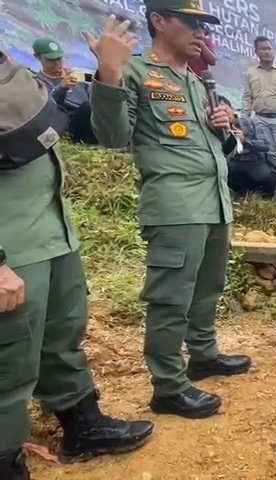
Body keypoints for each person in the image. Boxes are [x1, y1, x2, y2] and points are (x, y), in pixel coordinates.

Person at [88, 1, 252, 419]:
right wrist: (109, 74)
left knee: (208, 286)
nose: (201, 33)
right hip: (175, 205)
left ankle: (203, 355)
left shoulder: (196, 81)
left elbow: (214, 148)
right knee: (170, 298)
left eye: (204, 25)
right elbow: (112, 137)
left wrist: (224, 129)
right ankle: (169, 387)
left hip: (214, 201)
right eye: (191, 23)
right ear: (159, 21)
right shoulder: (135, 72)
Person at [0, 46, 153, 480]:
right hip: (10, 249)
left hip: (51, 234)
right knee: (7, 363)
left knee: (62, 335)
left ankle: (82, 425)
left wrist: (108, 74)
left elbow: (82, 132)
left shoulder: (15, 73)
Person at [241, 35, 276, 198]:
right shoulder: (250, 73)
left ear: (273, 51)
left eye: (269, 48)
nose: (267, 52)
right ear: (256, 52)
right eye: (263, 49)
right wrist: (244, 119)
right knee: (270, 153)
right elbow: (247, 97)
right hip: (260, 119)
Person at [32, 38, 95, 144]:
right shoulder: (37, 82)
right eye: (50, 60)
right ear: (37, 57)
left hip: (90, 119)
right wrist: (62, 88)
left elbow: (94, 89)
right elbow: (48, 108)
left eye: (59, 59)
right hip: (67, 124)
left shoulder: (77, 74)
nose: (56, 63)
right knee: (86, 107)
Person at [220, 97, 276, 200]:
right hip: (234, 163)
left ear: (232, 108)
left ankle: (264, 195)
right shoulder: (218, 129)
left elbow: (265, 145)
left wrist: (245, 141)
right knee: (226, 170)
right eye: (220, 113)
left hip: (254, 161)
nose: (224, 115)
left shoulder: (251, 122)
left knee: (268, 175)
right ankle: (239, 194)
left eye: (226, 110)